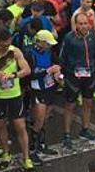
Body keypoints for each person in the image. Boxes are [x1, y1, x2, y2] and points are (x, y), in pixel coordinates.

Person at [0, 27, 34, 170]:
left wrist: (14, 75)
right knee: (1, 125)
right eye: (4, 44)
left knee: (20, 126)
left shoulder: (15, 51)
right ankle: (6, 154)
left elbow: (27, 69)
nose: (6, 47)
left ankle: (26, 157)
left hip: (14, 95)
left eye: (8, 43)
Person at [60, 12, 95, 149]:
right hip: (73, 76)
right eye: (80, 24)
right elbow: (62, 57)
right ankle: (66, 134)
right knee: (70, 105)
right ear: (76, 25)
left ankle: (85, 129)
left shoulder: (92, 36)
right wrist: (64, 74)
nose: (83, 26)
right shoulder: (69, 38)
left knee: (88, 103)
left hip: (89, 74)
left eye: (85, 23)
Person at [25, 29, 61, 160]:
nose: (50, 45)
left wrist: (57, 72)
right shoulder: (30, 54)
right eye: (47, 43)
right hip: (36, 89)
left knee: (45, 118)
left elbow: (58, 63)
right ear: (40, 42)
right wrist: (47, 71)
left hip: (49, 87)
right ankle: (32, 148)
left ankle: (41, 143)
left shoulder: (50, 52)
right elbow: (29, 75)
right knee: (39, 119)